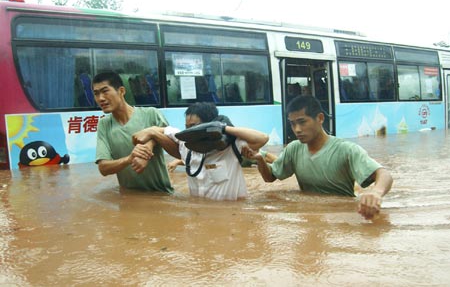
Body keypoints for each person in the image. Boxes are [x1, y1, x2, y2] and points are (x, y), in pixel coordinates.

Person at [242, 95, 393, 219]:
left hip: (341, 218)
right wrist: (260, 160)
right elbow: (270, 177)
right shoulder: (294, 149)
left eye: (302, 122)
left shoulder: (346, 149)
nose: (297, 130)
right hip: (309, 216)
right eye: (293, 124)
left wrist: (376, 192)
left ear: (320, 118)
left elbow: (383, 174)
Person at [132, 102, 269, 201]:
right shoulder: (185, 143)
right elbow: (161, 130)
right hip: (198, 216)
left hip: (231, 218)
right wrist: (149, 133)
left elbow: (262, 138)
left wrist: (222, 128)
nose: (189, 131)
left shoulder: (231, 146)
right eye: (187, 127)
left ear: (209, 125)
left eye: (194, 127)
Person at [93, 71, 176, 193]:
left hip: (161, 195)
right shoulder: (104, 124)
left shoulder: (151, 114)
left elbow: (178, 150)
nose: (100, 98)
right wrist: (130, 158)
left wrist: (151, 141)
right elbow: (103, 168)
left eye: (105, 91)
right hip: (128, 198)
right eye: (96, 94)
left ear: (121, 91)